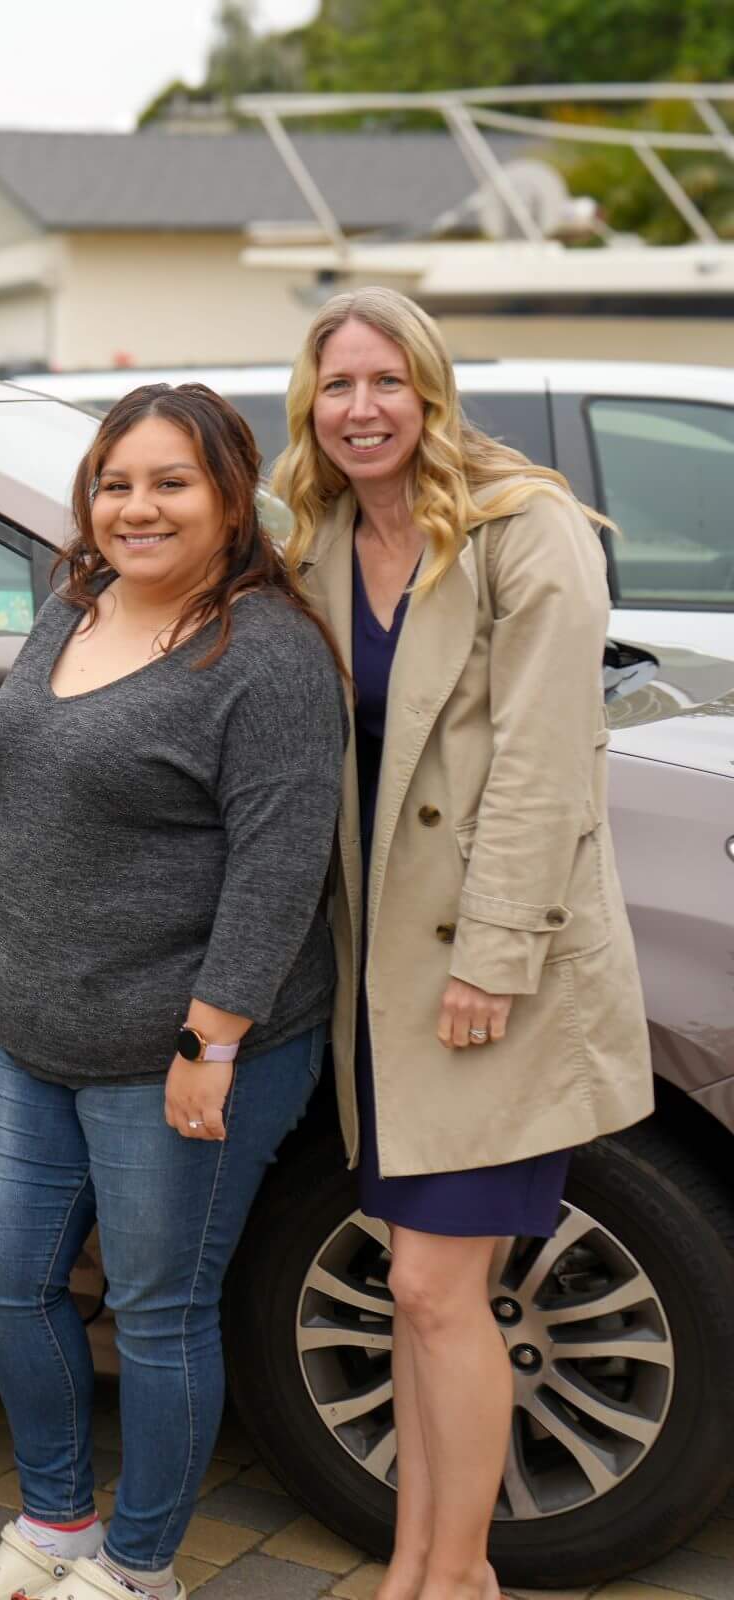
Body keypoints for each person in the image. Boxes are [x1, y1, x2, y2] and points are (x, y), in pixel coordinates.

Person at [273, 288, 652, 1600]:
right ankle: (422, 1572)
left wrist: (492, 954)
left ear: (429, 392)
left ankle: (457, 1574)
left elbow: (549, 765)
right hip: (381, 981)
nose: (363, 409)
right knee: (420, 1292)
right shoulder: (314, 535)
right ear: (309, 408)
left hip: (496, 975)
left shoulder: (524, 526)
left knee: (437, 1286)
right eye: (338, 388)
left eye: (387, 383)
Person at [0, 384, 346, 1600]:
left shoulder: (264, 653)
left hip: (183, 1047)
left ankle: (138, 1567)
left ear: (233, 497)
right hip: (39, 1036)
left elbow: (284, 865)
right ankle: (57, 1526)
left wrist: (211, 1039)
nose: (138, 507)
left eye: (172, 482)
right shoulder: (75, 602)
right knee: (3, 1274)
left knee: (162, 1311)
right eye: (117, 482)